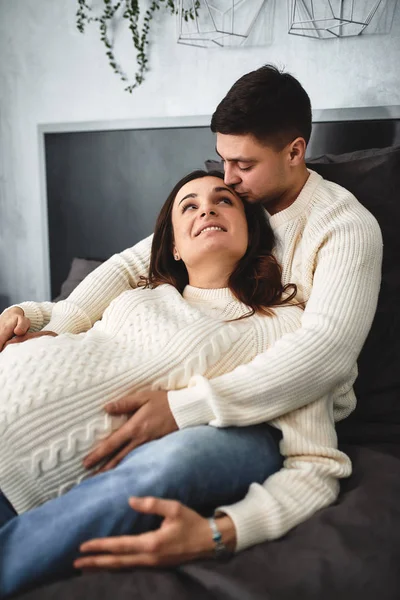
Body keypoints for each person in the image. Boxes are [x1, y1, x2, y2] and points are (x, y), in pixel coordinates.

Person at [0, 63, 382, 593]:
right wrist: (54, 320)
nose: (226, 180)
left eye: (241, 166)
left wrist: (187, 410)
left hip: (267, 400)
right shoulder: (216, 220)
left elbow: (325, 353)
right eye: (222, 161)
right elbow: (134, 260)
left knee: (178, 458)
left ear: (295, 152)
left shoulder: (341, 228)